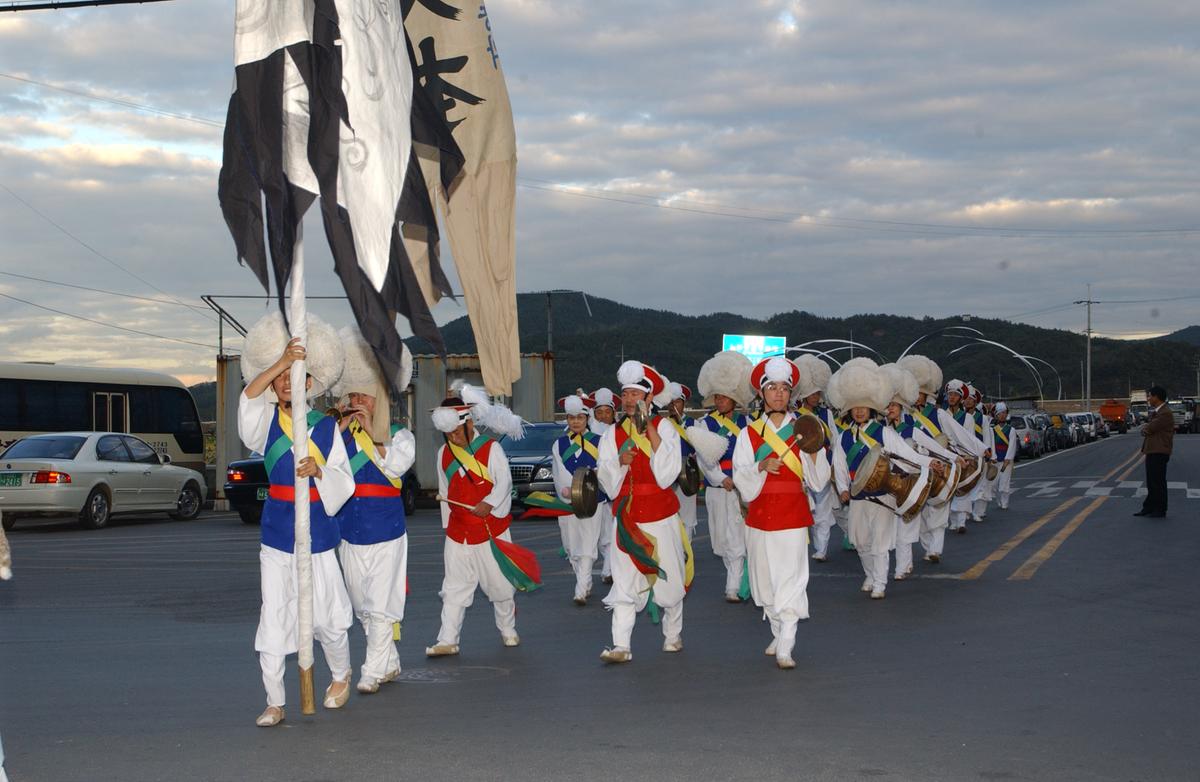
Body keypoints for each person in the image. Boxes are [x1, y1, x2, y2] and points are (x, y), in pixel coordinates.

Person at [238, 312, 355, 728]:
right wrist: (283, 360)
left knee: (328, 615)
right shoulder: (264, 423)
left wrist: (320, 472)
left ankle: (340, 675)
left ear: (310, 383)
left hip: (318, 533)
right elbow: (248, 396)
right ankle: (274, 700)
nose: (288, 382)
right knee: (274, 616)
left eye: (296, 375)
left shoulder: (326, 428)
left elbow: (344, 481)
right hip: (277, 534)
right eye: (281, 378)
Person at [331, 327, 416, 695]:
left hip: (386, 532)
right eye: (353, 395)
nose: (358, 401)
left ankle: (369, 672)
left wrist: (374, 436)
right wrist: (338, 429)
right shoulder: (339, 438)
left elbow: (396, 466)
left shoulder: (399, 435)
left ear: (379, 399)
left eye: (364, 395)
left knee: (380, 605)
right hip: (349, 534)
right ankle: (389, 661)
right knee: (363, 607)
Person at [732, 357, 831, 669]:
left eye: (784, 389)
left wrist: (813, 451)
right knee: (764, 583)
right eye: (772, 388)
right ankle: (777, 630)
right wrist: (760, 466)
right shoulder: (748, 434)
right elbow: (740, 477)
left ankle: (787, 642)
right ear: (762, 393)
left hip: (792, 517)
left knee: (790, 580)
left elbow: (819, 481)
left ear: (791, 394)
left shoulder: (805, 429)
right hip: (759, 518)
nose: (778, 393)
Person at [427, 387, 532, 656]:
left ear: (469, 423)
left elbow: (504, 482)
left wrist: (490, 503)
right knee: (454, 587)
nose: (453, 438)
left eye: (456, 432)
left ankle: (507, 628)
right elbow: (445, 490)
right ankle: (448, 639)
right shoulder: (444, 453)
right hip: (458, 532)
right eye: (448, 434)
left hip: (489, 529)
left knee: (500, 586)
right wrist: (448, 526)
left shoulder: (491, 448)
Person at [597, 361, 688, 663]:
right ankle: (621, 645)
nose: (628, 400)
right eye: (625, 394)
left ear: (649, 398)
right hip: (626, 517)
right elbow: (605, 479)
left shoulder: (665, 428)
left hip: (661, 516)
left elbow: (668, 474)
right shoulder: (612, 433)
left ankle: (672, 634)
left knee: (670, 579)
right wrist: (618, 462)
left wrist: (650, 430)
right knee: (624, 581)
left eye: (635, 394)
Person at [828, 359, 933, 599]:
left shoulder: (884, 432)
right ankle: (870, 575)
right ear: (849, 410)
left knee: (880, 543)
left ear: (872, 409)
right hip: (858, 497)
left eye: (864, 407)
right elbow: (839, 466)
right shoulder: (843, 437)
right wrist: (843, 489)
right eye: (855, 407)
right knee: (861, 542)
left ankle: (880, 583)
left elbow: (906, 455)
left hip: (883, 495)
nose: (859, 411)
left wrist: (928, 463)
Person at [880, 364, 952, 581]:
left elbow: (934, 447)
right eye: (887, 405)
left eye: (894, 405)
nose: (890, 409)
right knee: (892, 528)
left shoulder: (911, 429)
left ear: (902, 407)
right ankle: (905, 563)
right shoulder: (880, 431)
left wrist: (949, 459)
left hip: (912, 482)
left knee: (906, 525)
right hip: (888, 483)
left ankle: (902, 566)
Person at [897, 355, 972, 562]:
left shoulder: (938, 414)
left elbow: (959, 434)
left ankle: (934, 550)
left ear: (926, 394)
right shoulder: (905, 415)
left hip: (940, 466)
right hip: (917, 467)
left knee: (939, 508)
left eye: (920, 393)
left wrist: (981, 450)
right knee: (920, 509)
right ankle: (928, 547)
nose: (917, 396)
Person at [694, 350, 755, 602]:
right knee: (720, 540)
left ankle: (734, 585)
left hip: (740, 489)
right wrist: (721, 478)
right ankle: (736, 577)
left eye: (724, 397)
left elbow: (752, 455)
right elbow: (703, 459)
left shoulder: (748, 423)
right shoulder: (704, 424)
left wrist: (741, 479)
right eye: (717, 397)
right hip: (717, 489)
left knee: (737, 537)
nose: (719, 401)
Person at [551, 394, 605, 604]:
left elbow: (604, 468)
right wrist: (568, 491)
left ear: (587, 419)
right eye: (571, 418)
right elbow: (558, 471)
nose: (575, 422)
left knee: (588, 543)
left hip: (593, 499)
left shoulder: (599, 442)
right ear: (567, 419)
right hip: (568, 501)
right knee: (571, 547)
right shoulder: (559, 444)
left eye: (580, 418)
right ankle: (585, 581)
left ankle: (581, 589)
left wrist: (590, 483)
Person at [792, 354, 839, 561]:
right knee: (808, 508)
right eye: (811, 392)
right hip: (803, 466)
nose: (815, 396)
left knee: (823, 510)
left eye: (817, 392)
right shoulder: (795, 415)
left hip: (823, 464)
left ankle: (821, 548)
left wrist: (834, 463)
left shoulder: (826, 414)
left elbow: (834, 439)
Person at [944, 379, 988, 534]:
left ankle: (961, 521)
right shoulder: (941, 415)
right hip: (947, 455)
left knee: (963, 488)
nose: (952, 397)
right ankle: (953, 520)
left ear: (961, 398)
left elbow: (970, 439)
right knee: (950, 488)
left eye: (955, 395)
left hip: (963, 455)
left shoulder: (968, 418)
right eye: (950, 394)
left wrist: (971, 455)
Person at [659, 381, 699, 539]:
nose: (673, 406)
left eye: (677, 402)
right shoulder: (662, 425)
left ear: (684, 403)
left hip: (688, 475)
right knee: (669, 516)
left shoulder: (694, 424)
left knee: (687, 518)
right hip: (669, 476)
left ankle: (686, 549)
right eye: (670, 403)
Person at [590, 387, 618, 584]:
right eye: (599, 412)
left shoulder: (619, 431)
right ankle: (609, 567)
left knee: (612, 531)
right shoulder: (588, 434)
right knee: (600, 533)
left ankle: (609, 570)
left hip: (614, 486)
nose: (603, 416)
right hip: (594, 490)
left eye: (607, 412)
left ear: (613, 413)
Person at [1135, 386, 1174, 518]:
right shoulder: (1158, 412)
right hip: (1153, 450)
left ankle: (1160, 508)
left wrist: (1146, 429)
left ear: (1157, 397)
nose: (1148, 398)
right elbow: (1148, 428)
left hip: (1159, 450)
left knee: (1158, 481)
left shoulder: (1165, 413)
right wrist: (1146, 429)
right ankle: (1149, 507)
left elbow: (1150, 428)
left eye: (1150, 396)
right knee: (1151, 481)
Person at [991, 402, 1017, 510]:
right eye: (1000, 413)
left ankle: (1004, 502)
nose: (1002, 415)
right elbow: (991, 444)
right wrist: (993, 457)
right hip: (995, 460)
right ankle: (998, 500)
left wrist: (1008, 459)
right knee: (994, 484)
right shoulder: (992, 430)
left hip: (1006, 460)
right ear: (996, 415)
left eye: (1004, 413)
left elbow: (1012, 445)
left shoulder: (1011, 430)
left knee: (1004, 483)